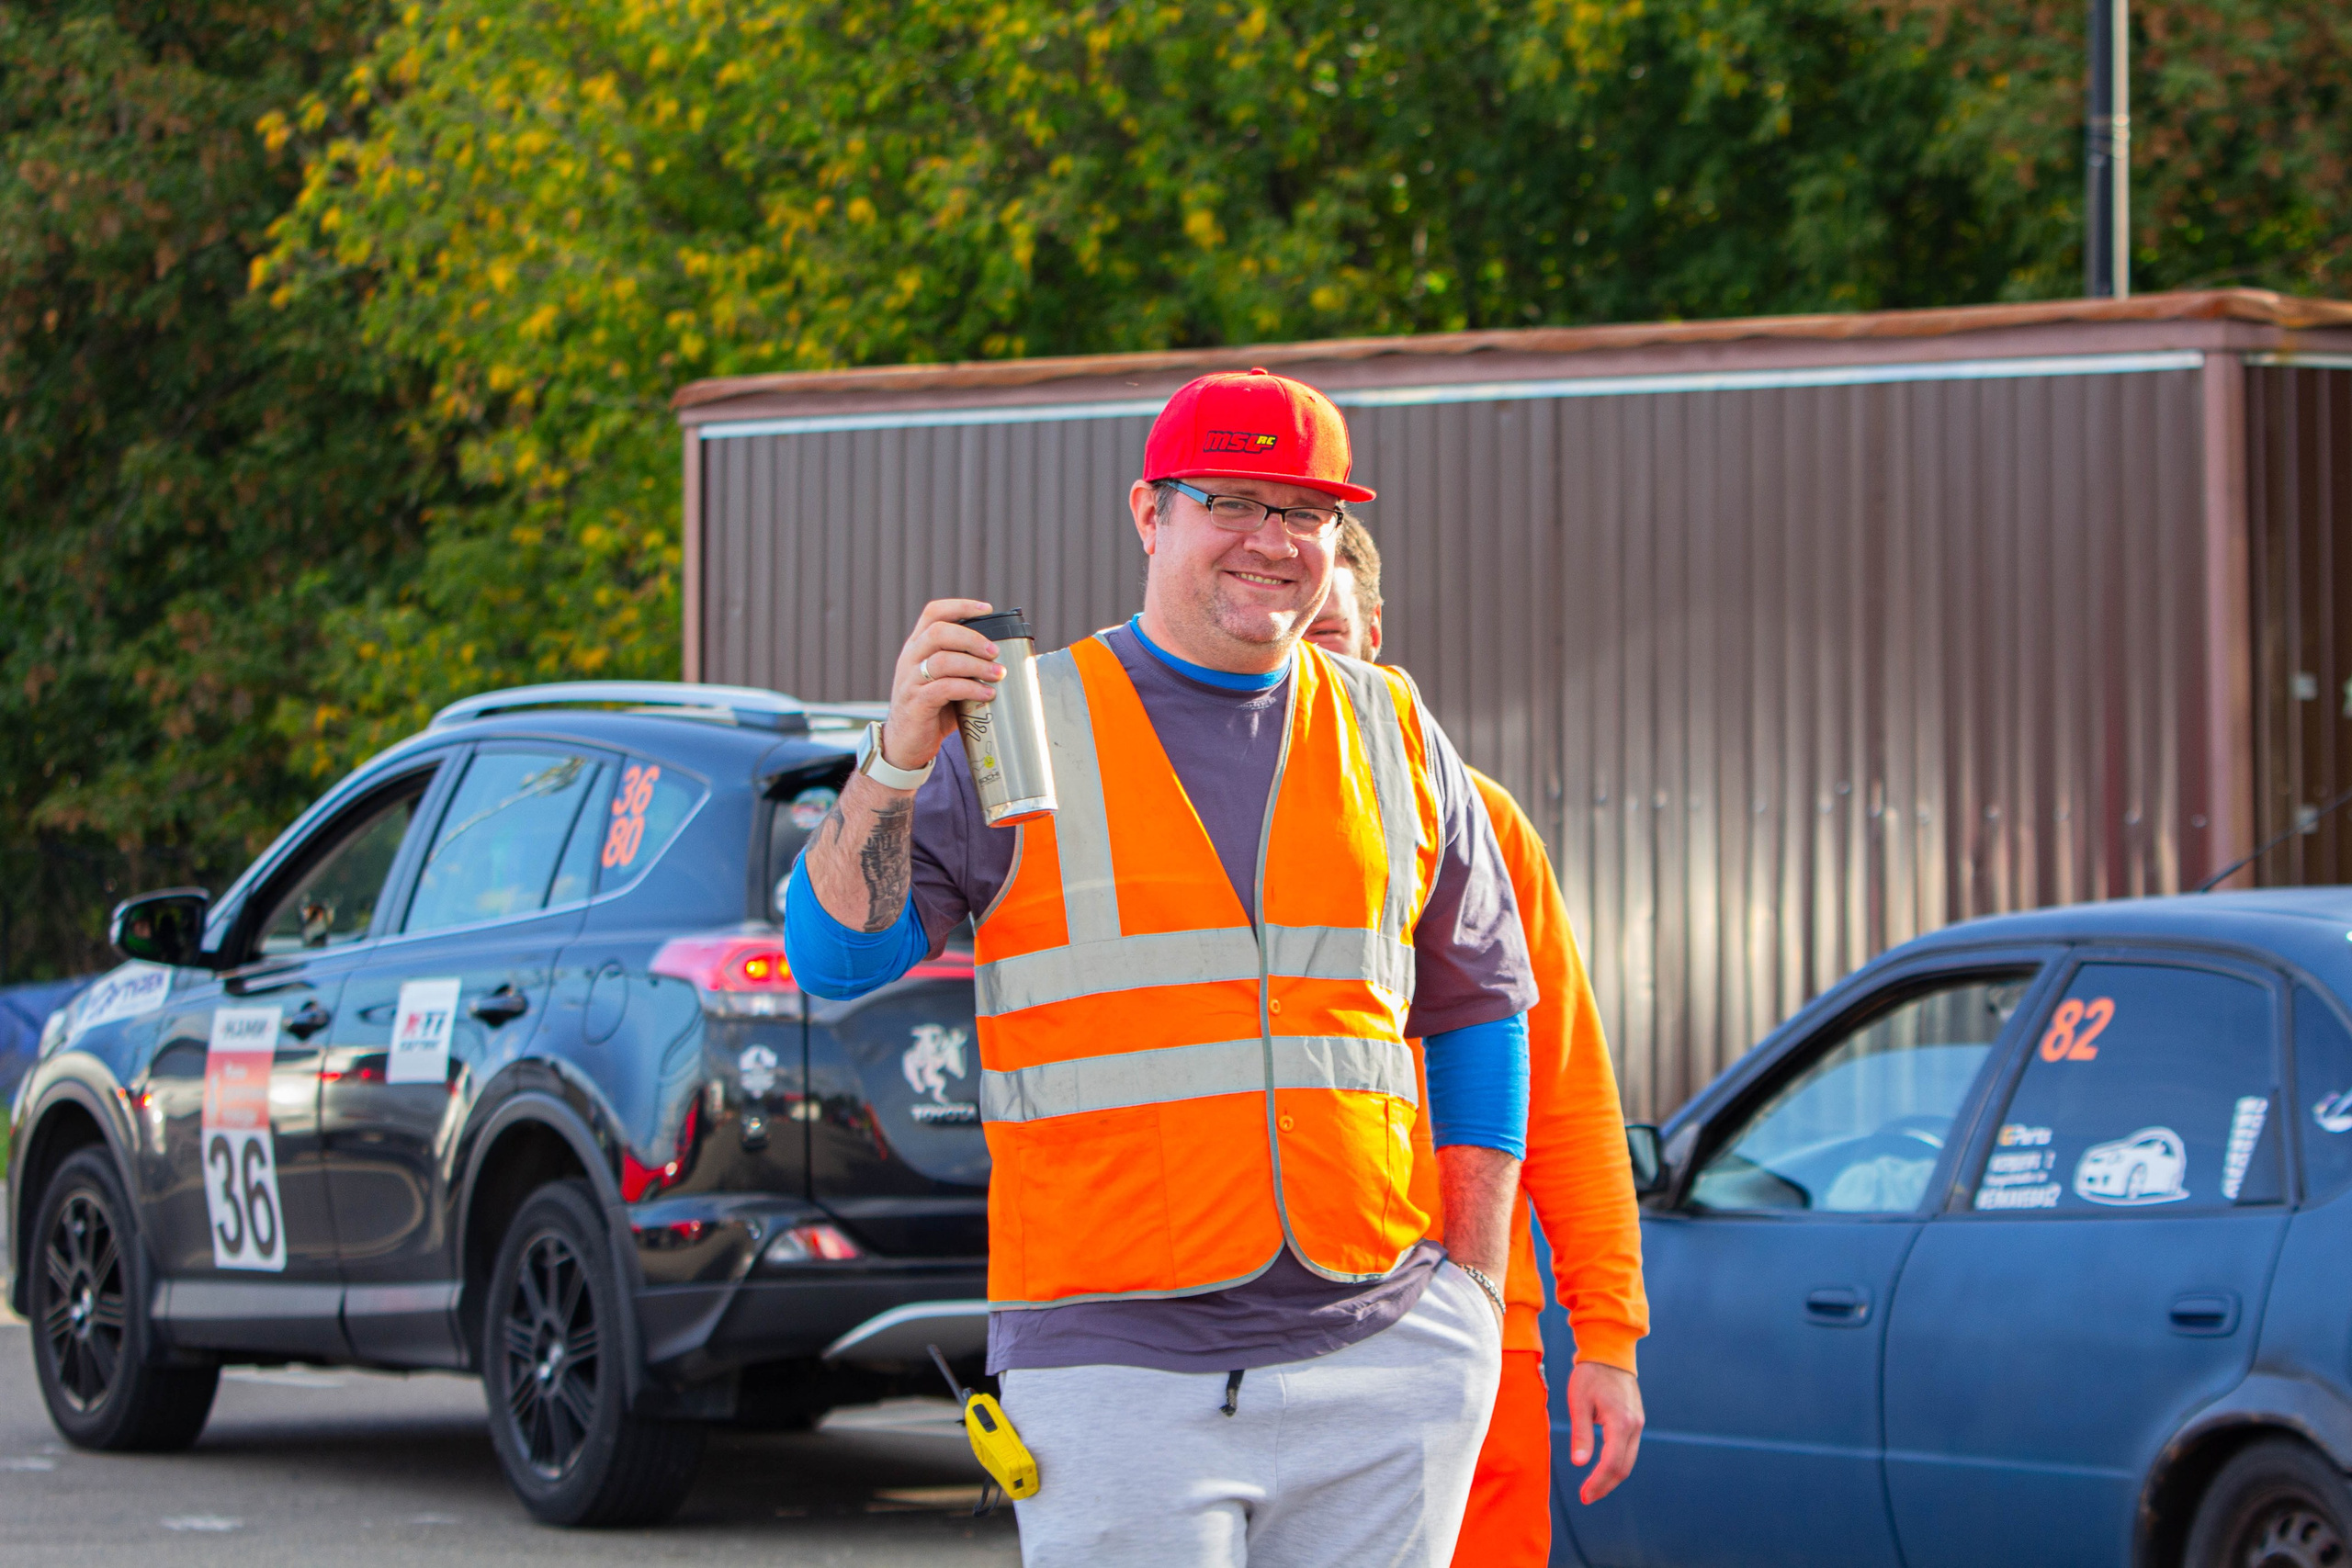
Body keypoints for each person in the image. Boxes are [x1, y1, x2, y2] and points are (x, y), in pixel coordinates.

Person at [784, 367, 1539, 1567]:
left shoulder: (1393, 728)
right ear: (1150, 513)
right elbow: (833, 957)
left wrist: (1473, 1292)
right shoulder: (1021, 725)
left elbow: (1480, 1008)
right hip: (1112, 1365)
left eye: (1304, 512)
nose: (1273, 541)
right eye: (1232, 499)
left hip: (1383, 1351)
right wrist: (888, 762)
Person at [1306, 517, 1649, 1568]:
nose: (1315, 672)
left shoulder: (1476, 822)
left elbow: (1567, 1091)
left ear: (1376, 635)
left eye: (1333, 638)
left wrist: (1608, 1334)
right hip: (1282, 1317)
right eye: (1295, 646)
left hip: (1467, 1318)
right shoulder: (1204, 827)